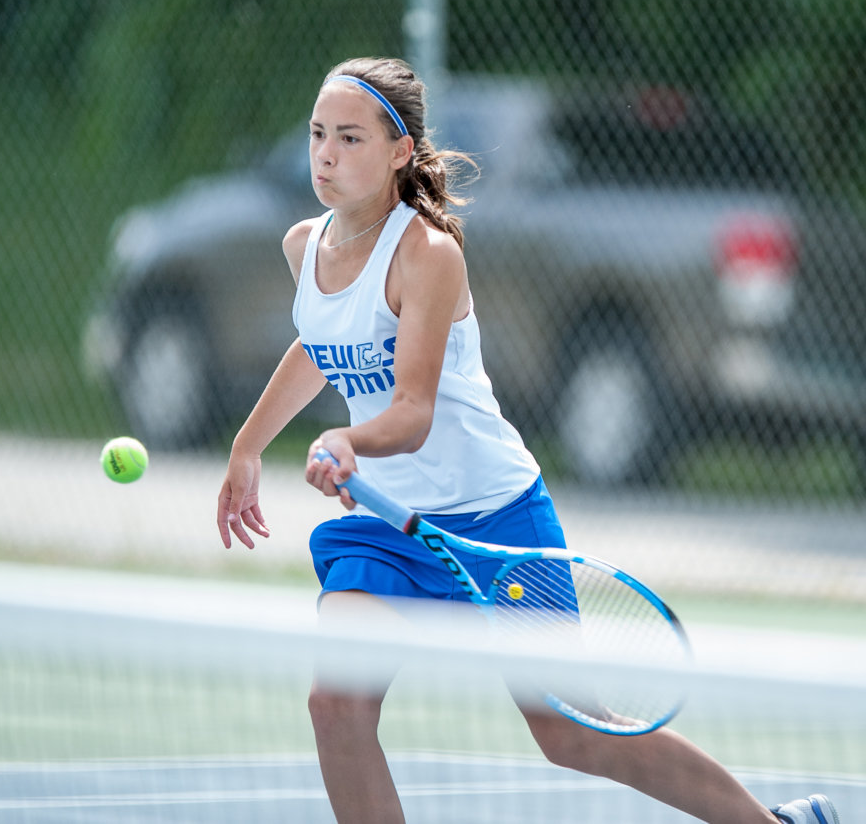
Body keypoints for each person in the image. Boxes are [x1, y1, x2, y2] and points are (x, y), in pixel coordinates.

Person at [216, 57, 840, 824]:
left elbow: (411, 411)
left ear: (400, 151)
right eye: (318, 134)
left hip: (495, 520)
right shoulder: (303, 245)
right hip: (387, 529)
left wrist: (348, 442)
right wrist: (248, 446)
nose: (325, 154)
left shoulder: (428, 254)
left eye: (350, 137)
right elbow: (321, 340)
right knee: (335, 705)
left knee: (574, 734)